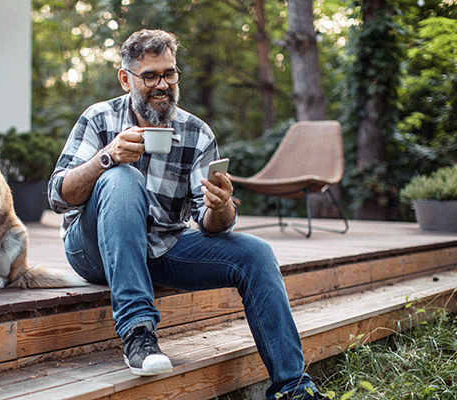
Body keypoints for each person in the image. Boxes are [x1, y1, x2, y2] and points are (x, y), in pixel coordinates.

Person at [47, 29, 327, 400]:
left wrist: (219, 205)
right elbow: (57, 195)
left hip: (162, 248)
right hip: (92, 249)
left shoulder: (196, 132)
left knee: (256, 254)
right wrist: (106, 158)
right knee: (122, 177)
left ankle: (292, 388)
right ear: (125, 78)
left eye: (170, 73)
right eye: (150, 76)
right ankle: (138, 333)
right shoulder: (99, 118)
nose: (162, 85)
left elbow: (212, 226)